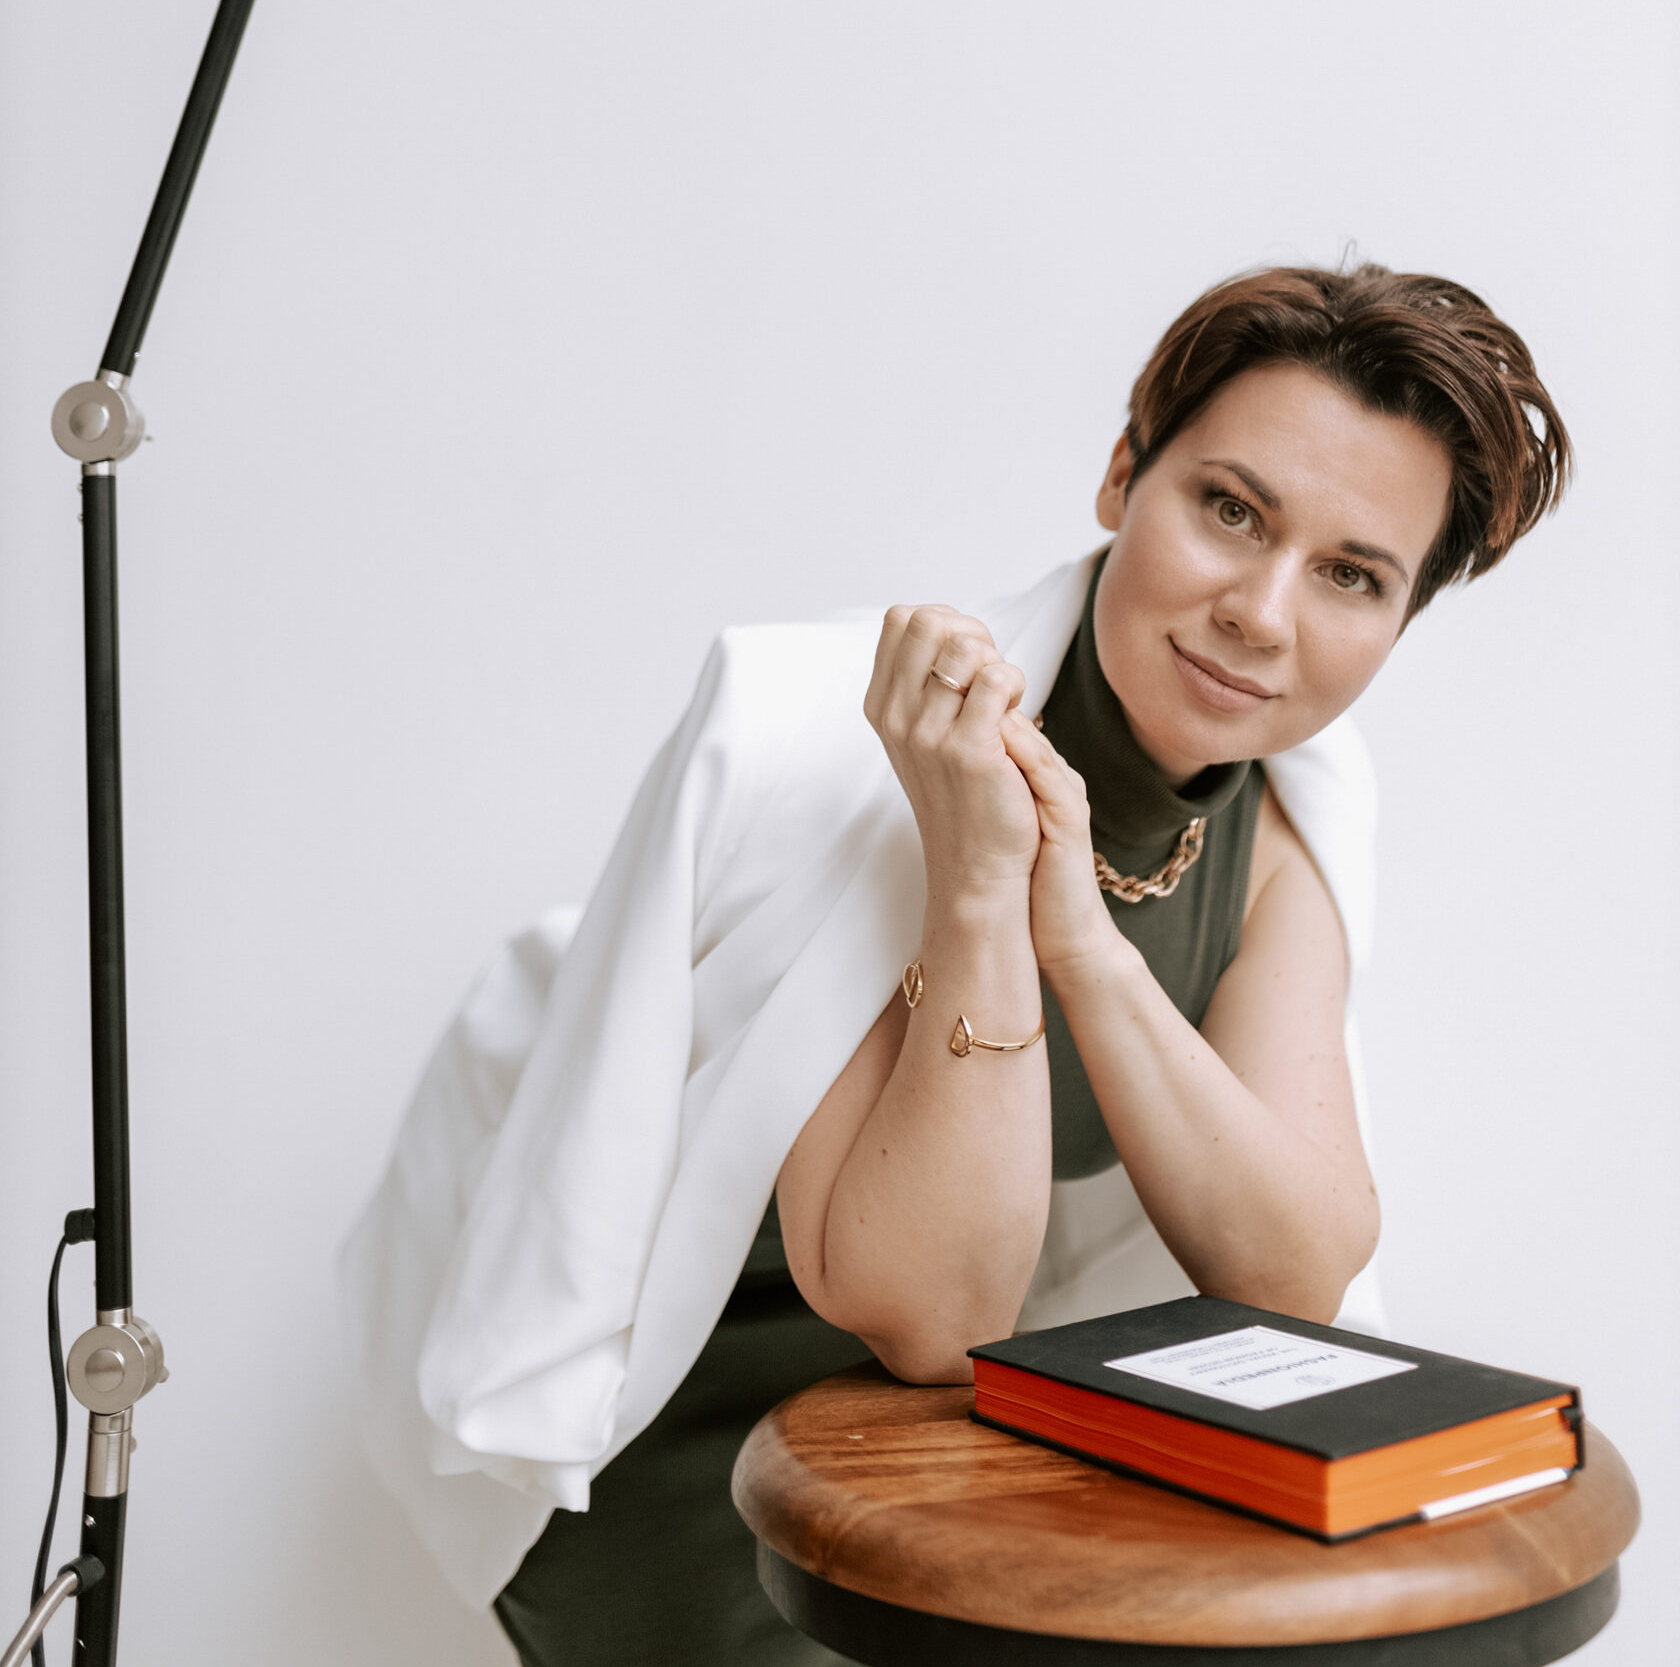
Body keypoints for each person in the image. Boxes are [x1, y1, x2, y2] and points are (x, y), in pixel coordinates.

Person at [340, 262, 1570, 1667]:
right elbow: (928, 1312)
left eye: (1352, 575)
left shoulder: (1297, 806)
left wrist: (1080, 942)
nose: (1263, 613)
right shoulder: (853, 740)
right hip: (676, 1422)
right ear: (1123, 474)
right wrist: (978, 884)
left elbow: (1292, 1267)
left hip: (954, 1445)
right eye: (1232, 510)